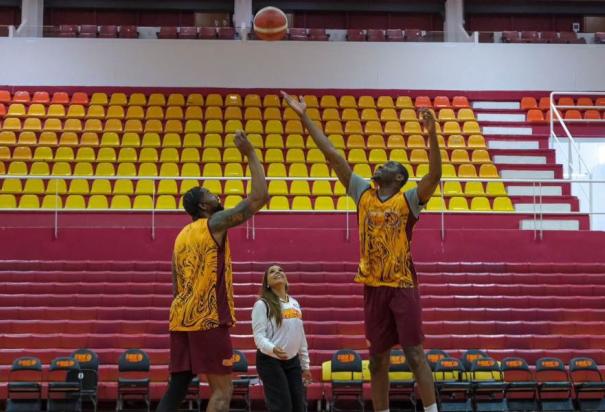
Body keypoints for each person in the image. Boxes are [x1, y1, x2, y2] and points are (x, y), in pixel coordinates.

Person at [282, 91, 442, 412]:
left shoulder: (409, 199)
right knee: (377, 358)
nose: (378, 165)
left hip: (402, 285)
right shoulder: (362, 192)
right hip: (373, 287)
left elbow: (434, 174)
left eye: (387, 164)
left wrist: (433, 135)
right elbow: (332, 154)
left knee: (414, 355)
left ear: (398, 177)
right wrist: (303, 116)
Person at [156, 130, 269, 412]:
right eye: (211, 194)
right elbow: (258, 198)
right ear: (204, 205)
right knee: (223, 389)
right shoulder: (214, 223)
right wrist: (250, 153)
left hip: (180, 317)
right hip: (207, 319)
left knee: (178, 386)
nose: (216, 195)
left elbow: (175, 284)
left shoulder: (181, 236)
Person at [252, 264, 312, 412]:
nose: (277, 272)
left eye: (280, 270)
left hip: (292, 361)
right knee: (282, 406)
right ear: (267, 282)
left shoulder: (294, 303)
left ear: (286, 280)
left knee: (300, 406)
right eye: (272, 272)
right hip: (270, 361)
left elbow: (300, 336)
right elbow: (259, 337)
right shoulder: (262, 304)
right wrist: (272, 349)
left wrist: (305, 366)